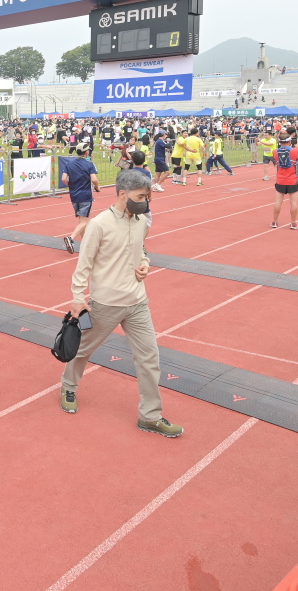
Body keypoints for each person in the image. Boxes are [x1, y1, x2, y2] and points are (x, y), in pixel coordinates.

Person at [61, 169, 182, 437]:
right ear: (122, 194)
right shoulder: (98, 225)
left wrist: (144, 265)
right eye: (140, 197)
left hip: (138, 302)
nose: (145, 202)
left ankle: (150, 416)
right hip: (106, 303)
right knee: (82, 350)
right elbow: (83, 266)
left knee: (149, 358)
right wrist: (78, 299)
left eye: (147, 197)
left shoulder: (142, 222)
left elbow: (142, 250)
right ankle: (69, 386)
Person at [61, 144, 99, 254]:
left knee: (82, 220)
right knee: (85, 221)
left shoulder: (69, 164)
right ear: (86, 152)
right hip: (85, 195)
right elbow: (94, 179)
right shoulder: (89, 164)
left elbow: (63, 178)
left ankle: (85, 244)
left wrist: (71, 185)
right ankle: (71, 238)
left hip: (74, 196)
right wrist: (97, 187)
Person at [271, 134, 298, 230]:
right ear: (289, 141)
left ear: (279, 141)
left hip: (280, 179)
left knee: (278, 202)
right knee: (293, 202)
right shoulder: (295, 150)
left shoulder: (275, 151)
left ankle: (275, 222)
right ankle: (293, 223)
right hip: (293, 179)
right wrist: (297, 145)